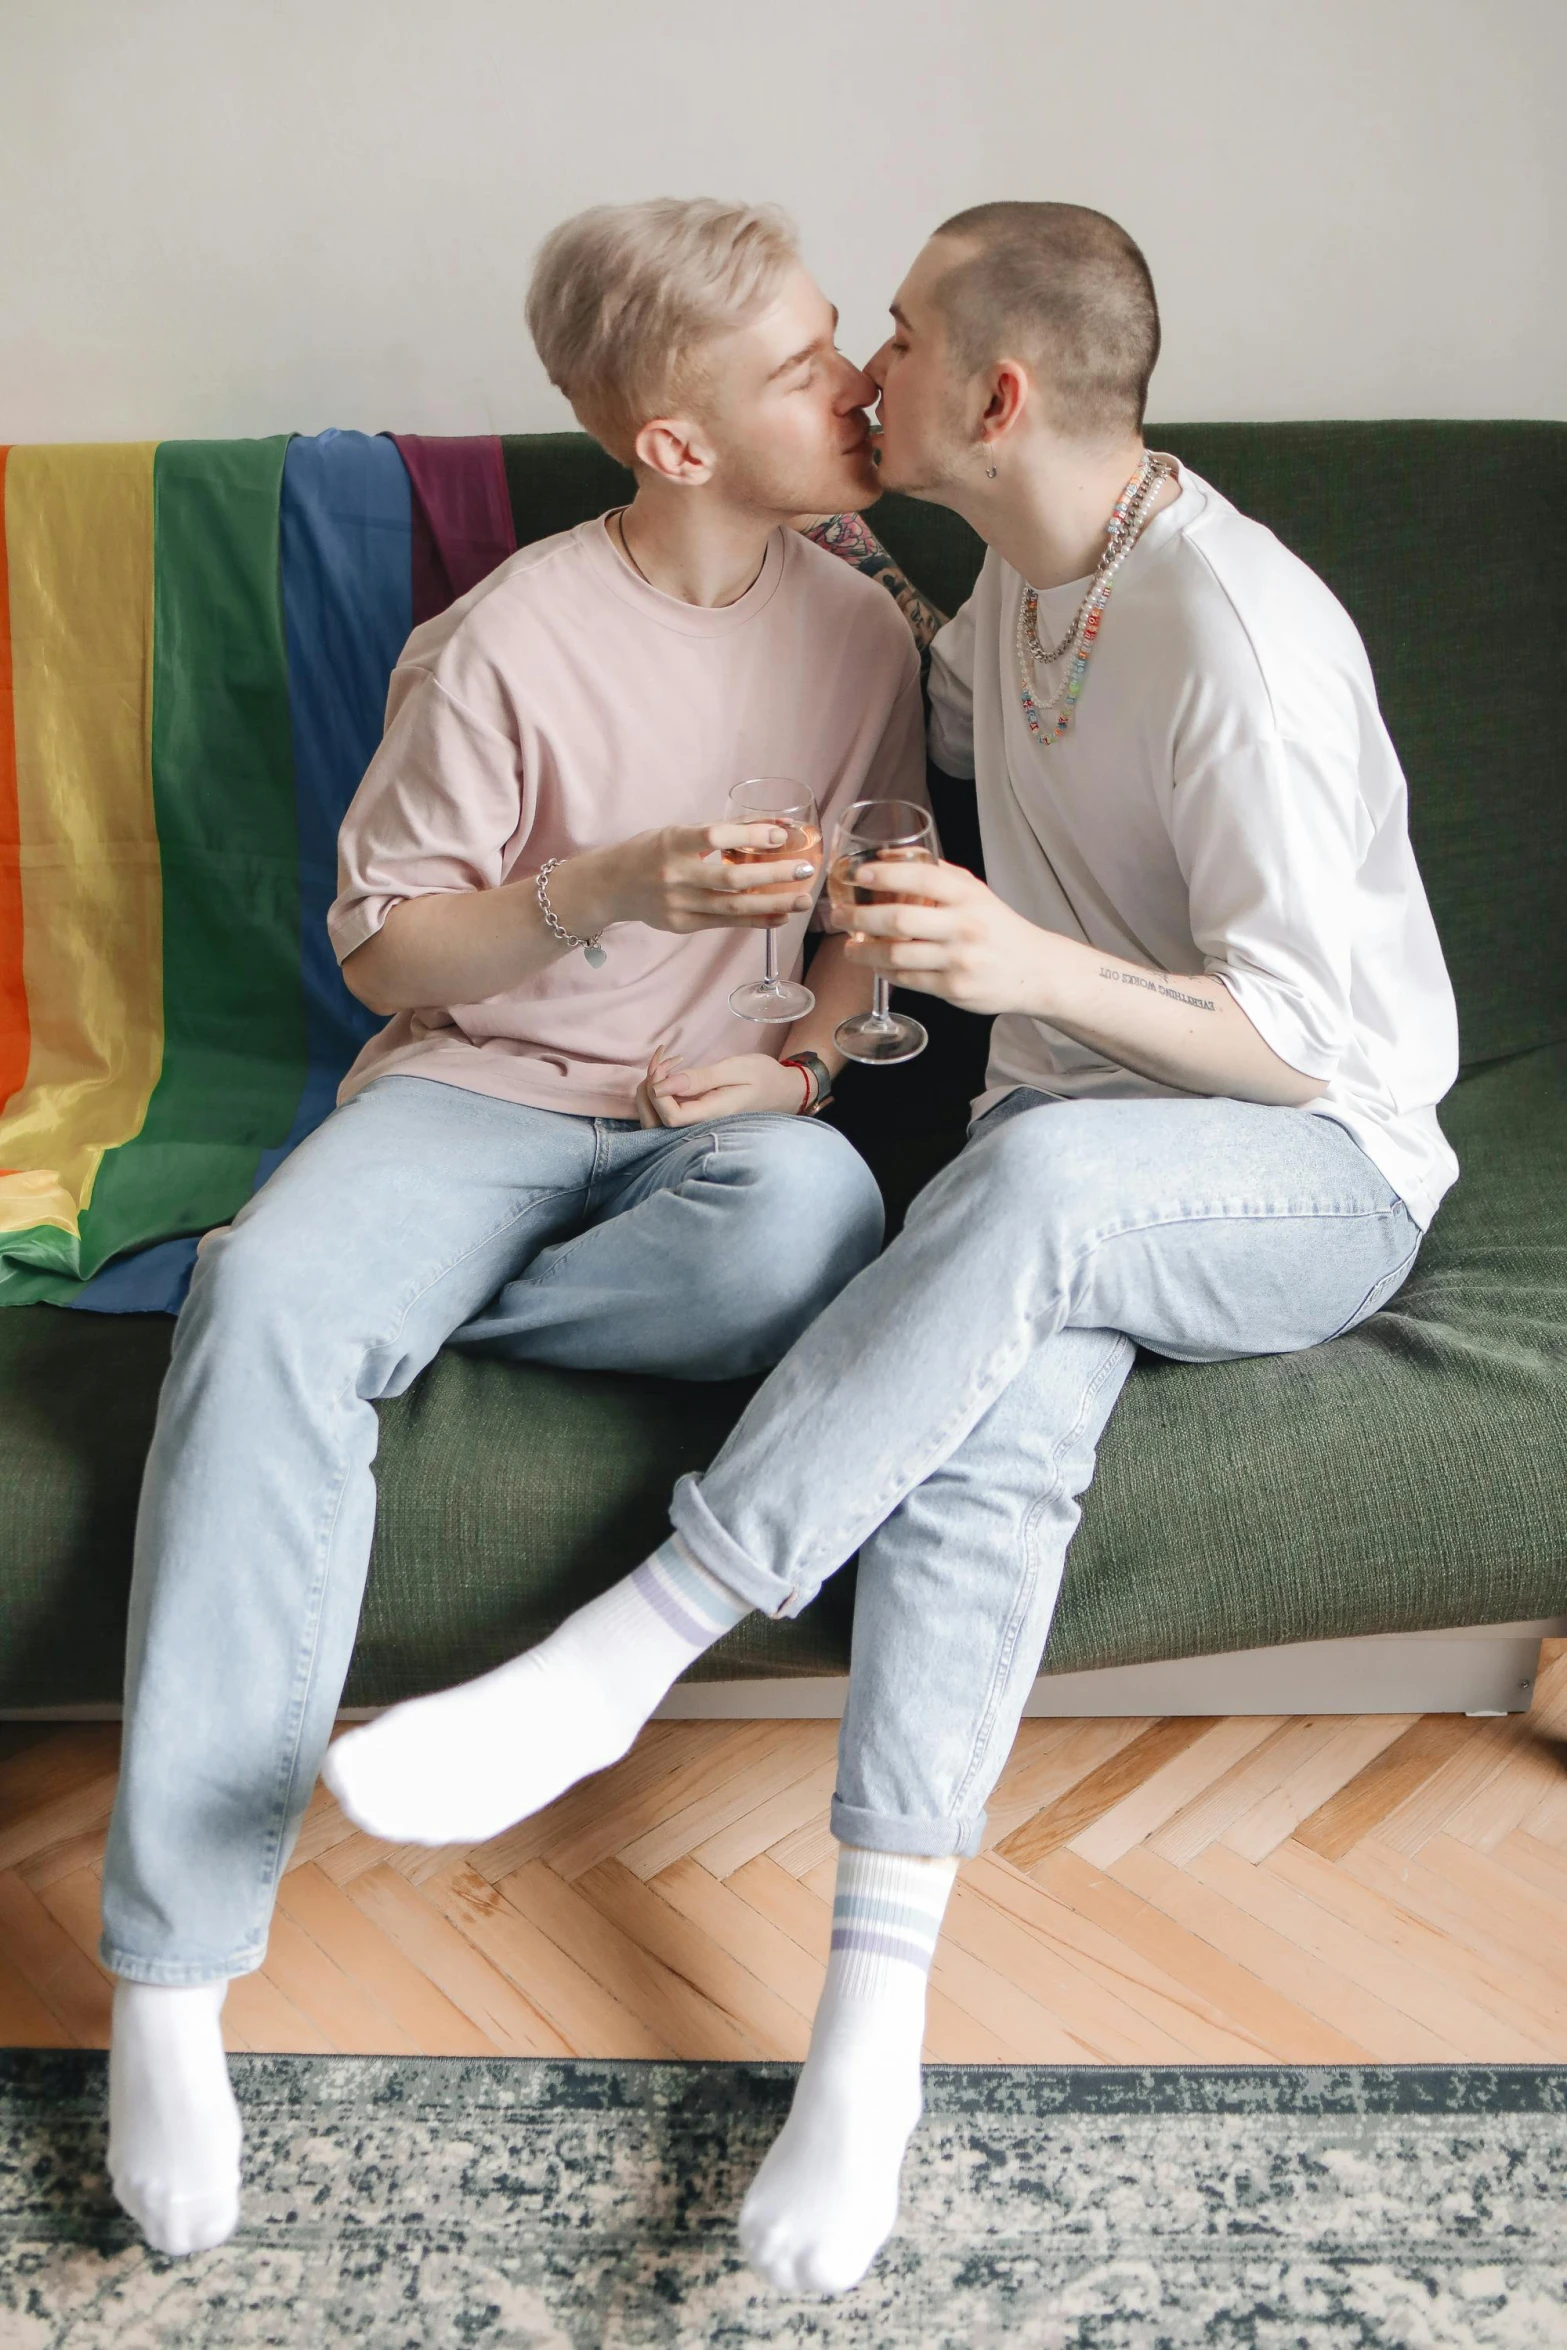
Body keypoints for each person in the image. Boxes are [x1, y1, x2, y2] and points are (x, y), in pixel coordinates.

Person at [326, 202, 1459, 2294]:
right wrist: (833, 957)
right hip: (1080, 1140)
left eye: (902, 335)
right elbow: (880, 765)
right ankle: (871, 2039)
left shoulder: (1240, 641)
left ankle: (627, 1644)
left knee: (1013, 1193)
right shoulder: (1009, 588)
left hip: (1314, 1170)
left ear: (1000, 397)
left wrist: (1021, 960)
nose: (864, 367)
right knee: (993, 1432)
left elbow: (1315, 1053)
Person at [100, 195, 928, 2258]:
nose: (851, 383)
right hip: (477, 1093)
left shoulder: (871, 628)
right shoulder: (503, 640)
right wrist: (609, 890)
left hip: (715, 1128)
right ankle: (171, 1978)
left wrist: (812, 1058)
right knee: (279, 1293)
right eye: (800, 361)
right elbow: (388, 960)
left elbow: (867, 925)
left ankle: (424, 1318)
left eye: (843, 340)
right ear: (669, 439)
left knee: (808, 1221)